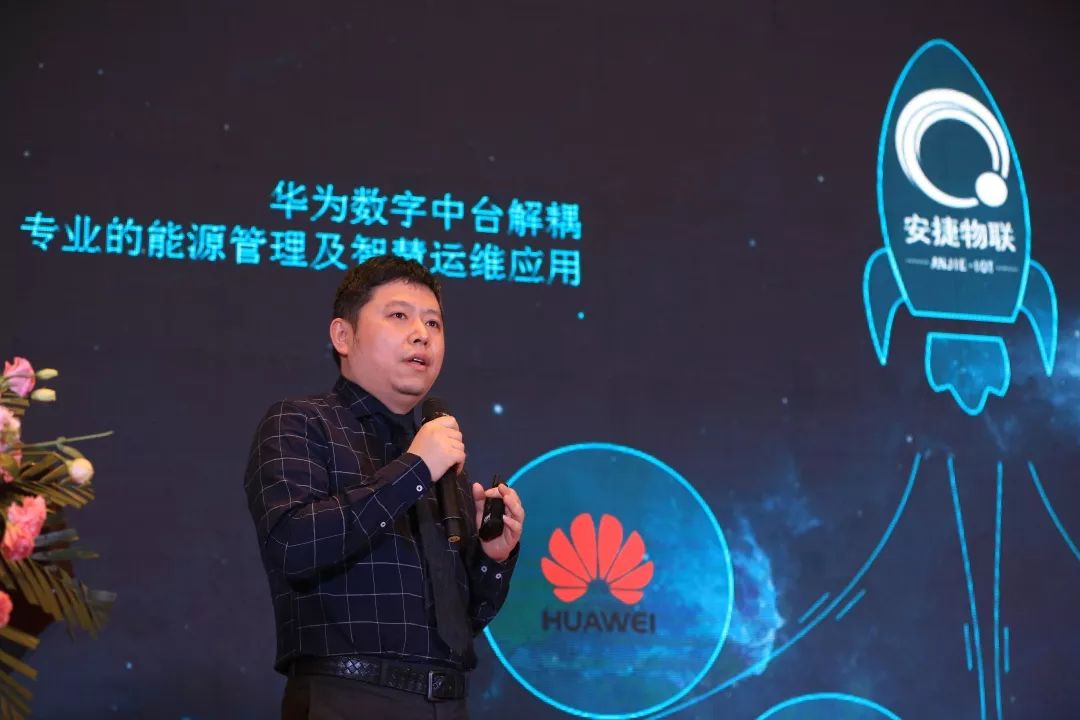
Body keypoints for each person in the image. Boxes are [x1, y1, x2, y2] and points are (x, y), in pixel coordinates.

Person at [244, 256, 524, 719]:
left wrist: (492, 560)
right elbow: (294, 545)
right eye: (399, 315)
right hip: (347, 698)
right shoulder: (301, 423)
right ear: (343, 336)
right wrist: (416, 468)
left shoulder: (438, 457)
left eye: (433, 323)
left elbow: (461, 624)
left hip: (448, 703)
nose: (422, 335)